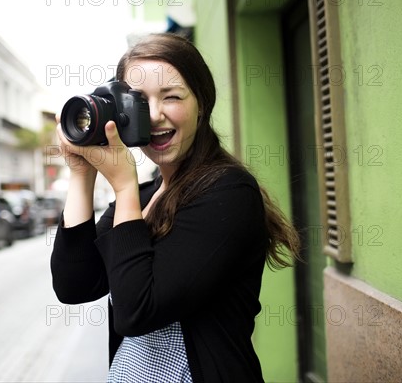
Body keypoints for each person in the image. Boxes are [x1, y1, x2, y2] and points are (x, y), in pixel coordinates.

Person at [50, 33, 300, 382]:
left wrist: (123, 188)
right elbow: (74, 284)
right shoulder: (145, 194)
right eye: (139, 102)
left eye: (172, 97)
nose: (154, 115)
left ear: (202, 103)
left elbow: (136, 311)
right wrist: (81, 174)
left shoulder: (228, 190)